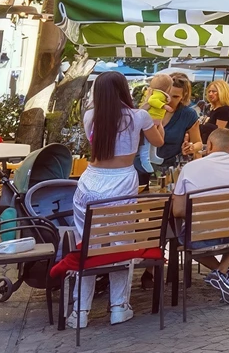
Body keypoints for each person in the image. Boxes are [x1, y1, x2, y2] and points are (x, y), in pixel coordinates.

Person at [69, 71, 165, 328]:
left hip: (89, 182)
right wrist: (158, 121)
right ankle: (118, 307)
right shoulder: (140, 116)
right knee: (120, 244)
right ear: (124, 89)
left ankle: (80, 311)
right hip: (121, 182)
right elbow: (158, 141)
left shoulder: (90, 116)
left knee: (86, 245)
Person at [171, 127, 229, 304]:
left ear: (208, 145)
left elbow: (177, 211)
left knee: (185, 239)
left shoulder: (190, 168)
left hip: (201, 237)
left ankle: (220, 272)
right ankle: (224, 271)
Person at [156, 72, 203, 169]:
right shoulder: (150, 109)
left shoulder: (188, 114)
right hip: (143, 166)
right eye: (167, 95)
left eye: (175, 97)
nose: (169, 100)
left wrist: (191, 147)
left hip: (171, 167)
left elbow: (198, 143)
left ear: (183, 97)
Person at [198, 79, 229, 145]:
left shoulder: (225, 110)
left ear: (222, 92)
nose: (210, 94)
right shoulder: (213, 109)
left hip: (216, 145)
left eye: (214, 91)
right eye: (209, 91)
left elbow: (219, 131)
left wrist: (202, 126)